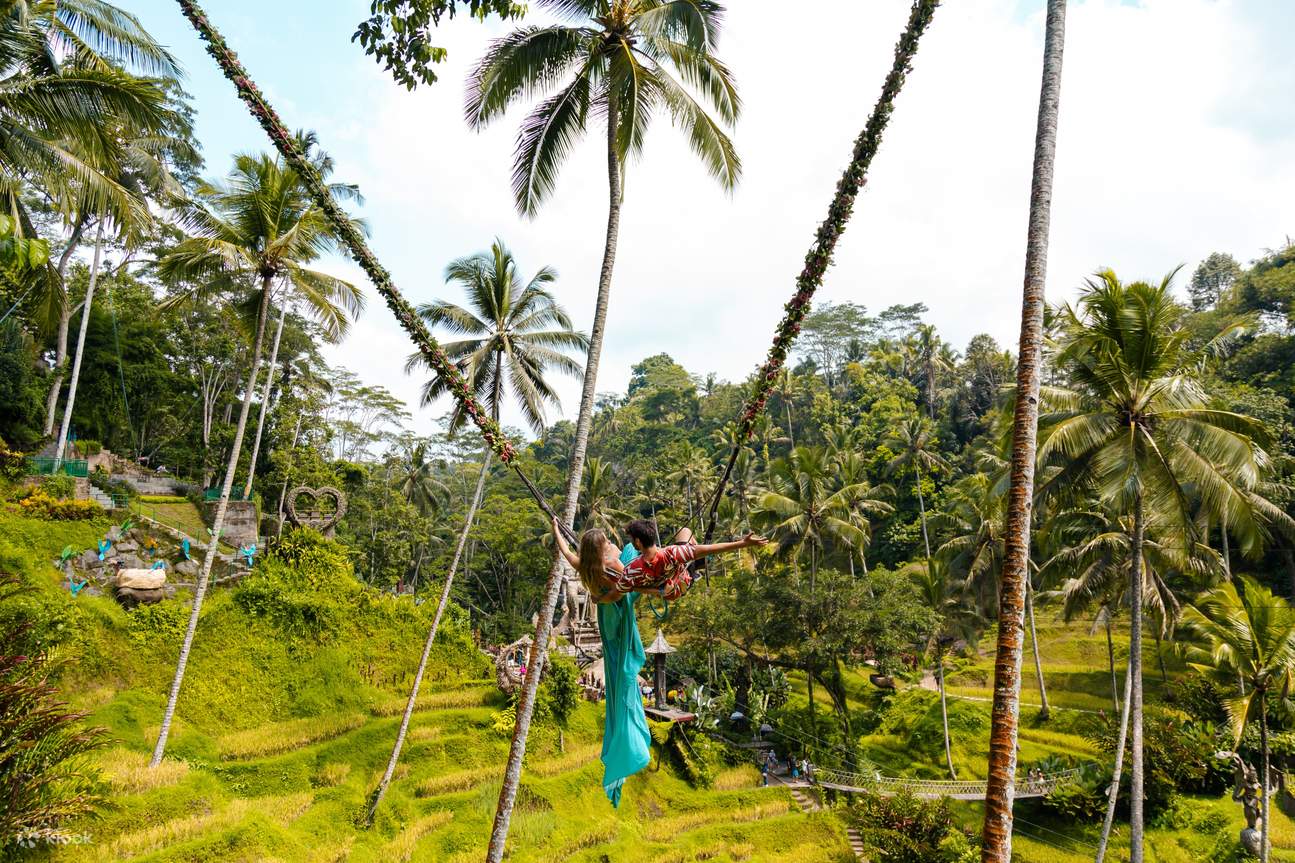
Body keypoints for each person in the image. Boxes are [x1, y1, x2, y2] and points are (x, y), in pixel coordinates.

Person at [550, 517, 768, 605]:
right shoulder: (671, 554)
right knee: (686, 534)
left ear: (636, 542)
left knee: (689, 550)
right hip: (679, 583)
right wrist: (743, 543)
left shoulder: (630, 571)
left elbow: (617, 593)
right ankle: (695, 569)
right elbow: (710, 549)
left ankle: (694, 567)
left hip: (663, 589)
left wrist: (600, 600)